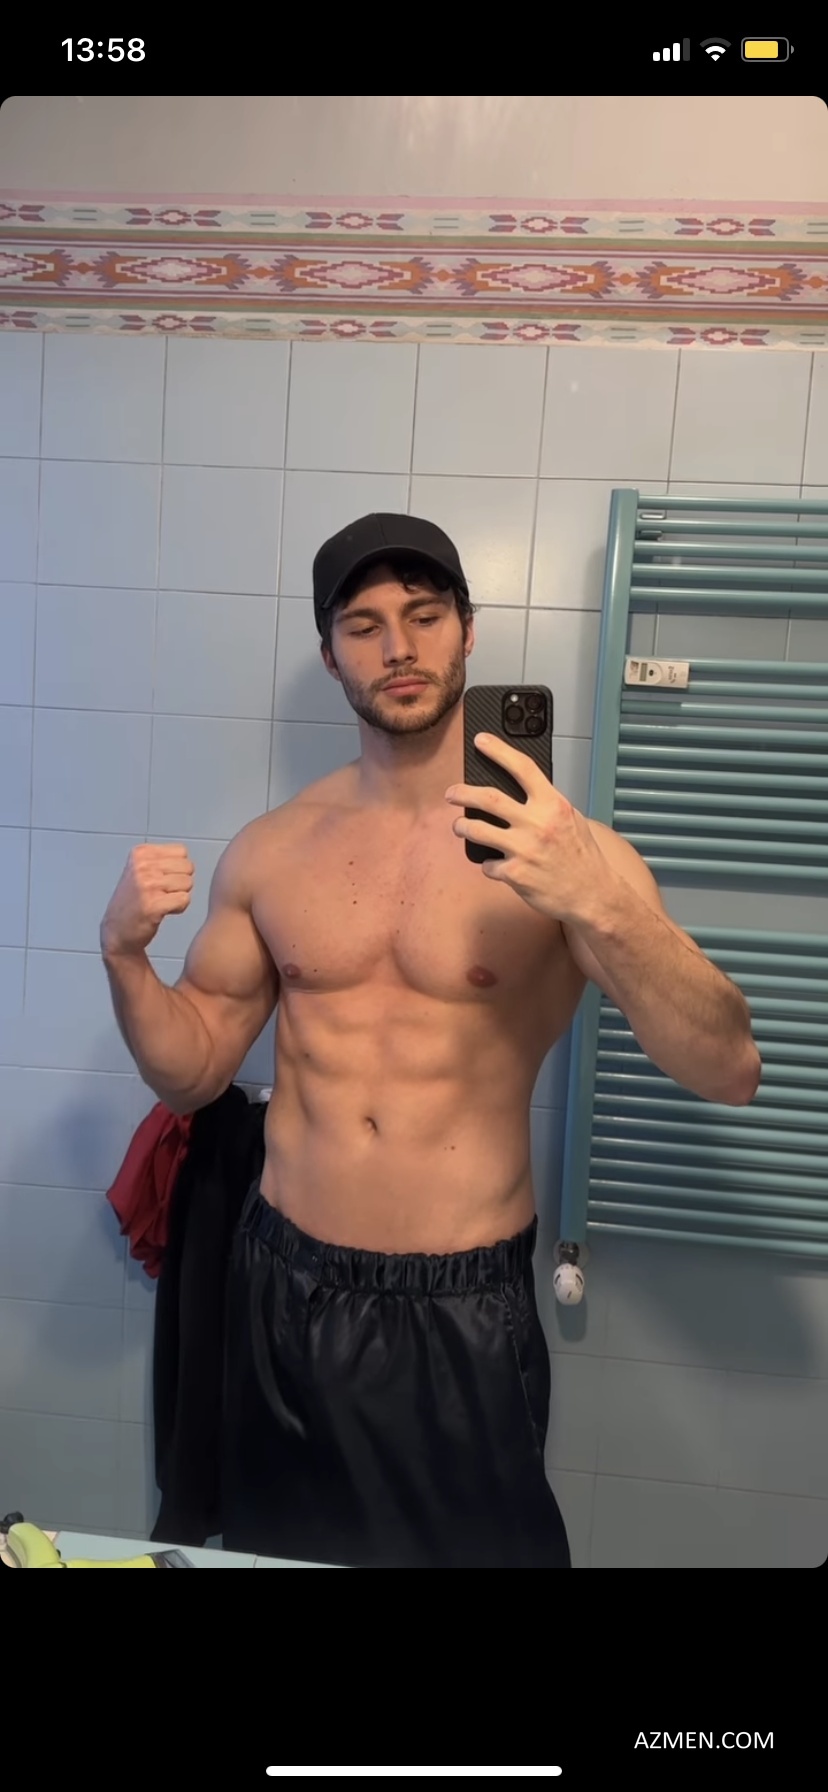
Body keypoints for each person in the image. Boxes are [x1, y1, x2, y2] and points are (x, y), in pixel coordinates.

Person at [101, 512, 761, 1568]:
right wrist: (125, 958)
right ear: (331, 655)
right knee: (278, 1560)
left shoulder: (569, 855)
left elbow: (728, 1068)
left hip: (459, 1308)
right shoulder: (273, 852)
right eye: (363, 626)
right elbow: (192, 1072)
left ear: (467, 631)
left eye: (423, 615)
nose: (398, 646)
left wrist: (599, 901)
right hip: (280, 1284)